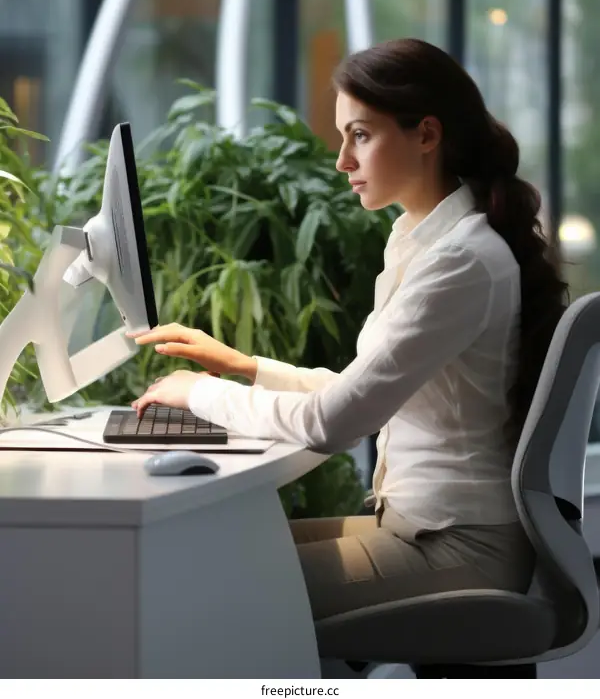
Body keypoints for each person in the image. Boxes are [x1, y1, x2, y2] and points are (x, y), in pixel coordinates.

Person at [128, 38, 568, 626]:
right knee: (194, 558)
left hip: (459, 549)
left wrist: (197, 392)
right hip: (423, 530)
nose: (342, 161)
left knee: (206, 583)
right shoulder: (423, 238)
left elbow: (333, 423)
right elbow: (361, 392)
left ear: (426, 135)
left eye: (360, 135)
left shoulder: (460, 260)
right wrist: (245, 367)